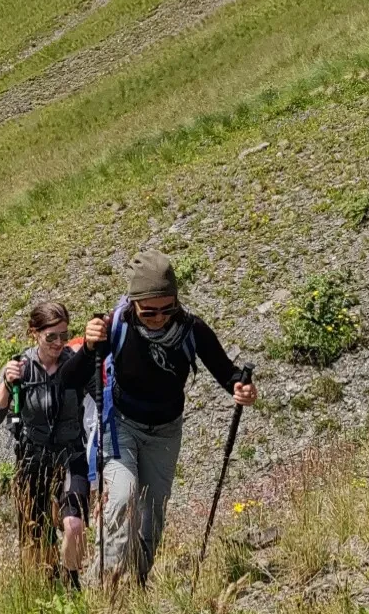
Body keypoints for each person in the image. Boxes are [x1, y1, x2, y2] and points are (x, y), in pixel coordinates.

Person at [59, 250, 256, 586]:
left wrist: (241, 387)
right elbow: (68, 379)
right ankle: (105, 588)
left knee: (152, 515)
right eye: (149, 311)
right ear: (134, 303)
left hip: (166, 432)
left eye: (167, 309)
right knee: (121, 497)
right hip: (120, 425)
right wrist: (90, 347)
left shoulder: (192, 329)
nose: (159, 318)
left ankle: (136, 583)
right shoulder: (115, 326)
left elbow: (227, 372)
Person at [0, 301, 92, 588]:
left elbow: (106, 399)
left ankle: (72, 584)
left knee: (74, 525)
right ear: (34, 333)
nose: (59, 343)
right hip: (33, 460)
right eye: (51, 336)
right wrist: (7, 385)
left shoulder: (76, 363)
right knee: (36, 538)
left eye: (64, 335)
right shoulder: (20, 368)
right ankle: (50, 584)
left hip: (72, 455)